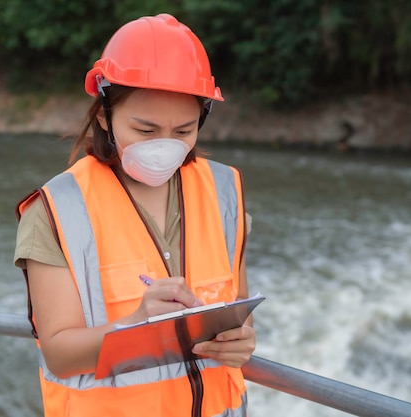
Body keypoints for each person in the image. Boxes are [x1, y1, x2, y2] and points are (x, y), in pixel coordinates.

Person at [13, 13, 255, 417]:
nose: (165, 146)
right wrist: (134, 326)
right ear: (104, 115)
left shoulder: (225, 192)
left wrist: (243, 338)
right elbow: (59, 353)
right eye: (145, 130)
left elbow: (240, 307)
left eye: (183, 131)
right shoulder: (55, 209)